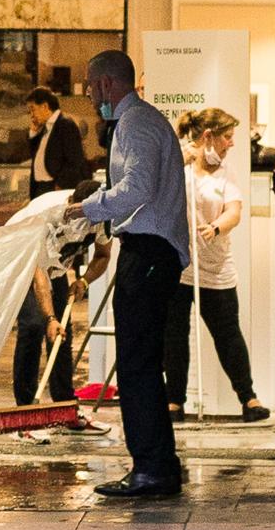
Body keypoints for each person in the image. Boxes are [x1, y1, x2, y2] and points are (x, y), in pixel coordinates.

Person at [64, 50, 191, 498]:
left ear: (105, 85)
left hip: (149, 251)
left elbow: (138, 188)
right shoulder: (143, 122)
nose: (86, 92)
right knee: (142, 361)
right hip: (153, 250)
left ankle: (152, 469)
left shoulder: (136, 124)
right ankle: (159, 463)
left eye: (89, 84)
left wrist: (89, 207)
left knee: (136, 362)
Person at [166, 109, 270, 424]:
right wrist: (176, 164)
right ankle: (174, 402)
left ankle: (248, 398)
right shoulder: (179, 167)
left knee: (227, 333)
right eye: (227, 136)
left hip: (216, 266)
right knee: (174, 334)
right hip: (180, 263)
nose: (232, 143)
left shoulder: (226, 173)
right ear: (208, 136)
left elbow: (234, 212)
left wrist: (215, 228)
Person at [6, 180, 112, 442]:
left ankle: (65, 409)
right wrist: (50, 317)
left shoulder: (102, 215)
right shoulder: (48, 217)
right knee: (33, 325)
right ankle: (25, 416)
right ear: (71, 205)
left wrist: (84, 281)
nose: (89, 224)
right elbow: (38, 274)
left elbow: (102, 255)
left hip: (55, 268)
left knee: (62, 335)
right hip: (21, 262)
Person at [26, 86, 89, 199]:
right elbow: (34, 154)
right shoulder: (44, 127)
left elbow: (75, 160)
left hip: (55, 187)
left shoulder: (66, 125)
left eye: (33, 109)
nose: (31, 114)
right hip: (40, 186)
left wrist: (60, 185)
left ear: (44, 106)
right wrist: (33, 132)